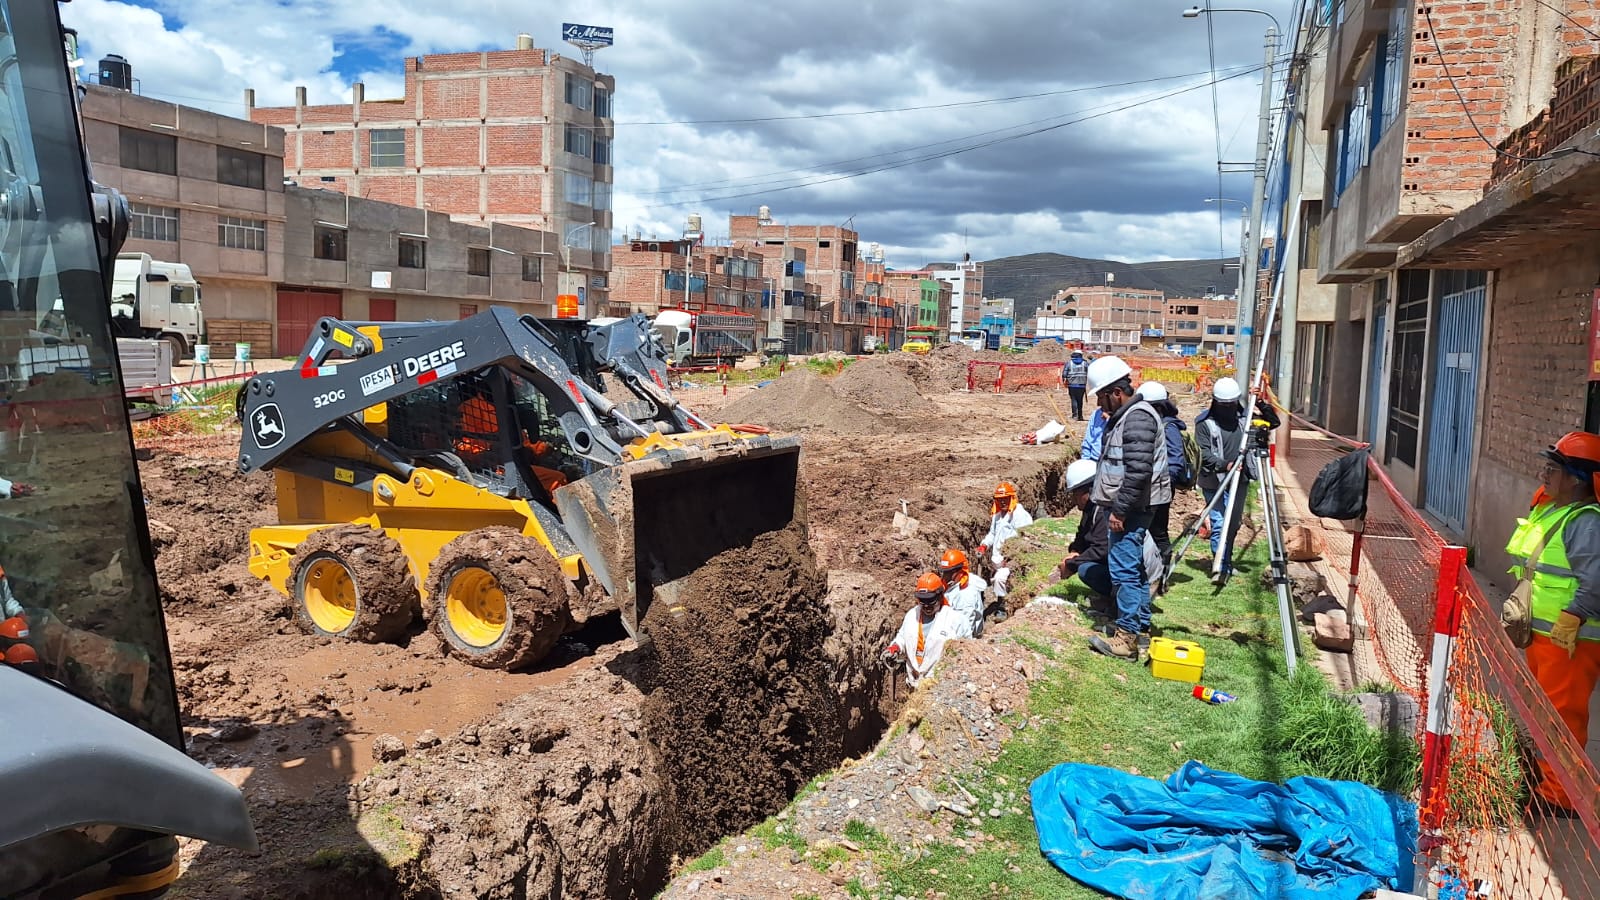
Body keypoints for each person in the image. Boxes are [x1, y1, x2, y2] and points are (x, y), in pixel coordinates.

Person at [1507, 432, 1600, 815]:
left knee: (1562, 716)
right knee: (1548, 714)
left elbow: (1595, 578)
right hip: (1546, 637)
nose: (1545, 474)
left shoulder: (1586, 522)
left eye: (1553, 468)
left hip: (1570, 639)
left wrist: (1573, 614)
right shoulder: (1555, 510)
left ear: (1576, 478)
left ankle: (1561, 796)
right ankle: (1551, 779)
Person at [1083, 355, 1170, 661]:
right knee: (1133, 569)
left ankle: (1127, 638)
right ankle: (1140, 629)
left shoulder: (1137, 418)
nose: (1100, 406)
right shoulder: (1129, 417)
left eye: (1102, 398)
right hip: (1131, 505)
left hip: (1130, 508)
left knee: (1124, 572)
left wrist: (1119, 510)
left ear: (1116, 392)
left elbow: (1138, 471)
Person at [1194, 377, 1280, 584]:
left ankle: (1227, 559)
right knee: (1219, 521)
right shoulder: (1204, 423)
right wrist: (1226, 465)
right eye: (1225, 405)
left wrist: (1259, 401)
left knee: (1233, 523)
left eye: (1232, 404)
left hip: (1239, 480)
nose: (1229, 408)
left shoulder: (1245, 418)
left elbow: (1273, 423)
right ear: (1216, 402)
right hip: (1214, 480)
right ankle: (1220, 564)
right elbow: (1203, 453)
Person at [882, 572, 968, 688]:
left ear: (940, 596)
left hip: (938, 686)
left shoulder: (955, 620)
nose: (926, 606)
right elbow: (902, 637)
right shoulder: (912, 615)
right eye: (923, 601)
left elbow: (966, 650)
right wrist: (895, 647)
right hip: (913, 682)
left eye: (930, 601)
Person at [1136, 381, 1190, 565]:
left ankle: (1163, 571)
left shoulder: (1169, 427)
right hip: (1148, 487)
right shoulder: (1150, 424)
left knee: (1158, 532)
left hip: (1161, 488)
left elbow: (1176, 460)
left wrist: (1166, 483)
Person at [978, 481, 1034, 601]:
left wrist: (1010, 558)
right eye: (1000, 499)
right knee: (997, 580)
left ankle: (1003, 606)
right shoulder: (997, 515)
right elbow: (992, 534)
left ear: (1011, 497)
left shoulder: (1018, 515)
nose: (1002, 501)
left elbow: (1023, 538)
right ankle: (1001, 597)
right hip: (998, 558)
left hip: (1010, 558)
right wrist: (984, 545)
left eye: (1005, 498)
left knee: (1000, 579)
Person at [937, 548, 988, 637]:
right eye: (943, 572)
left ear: (958, 572)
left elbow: (965, 628)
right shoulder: (953, 584)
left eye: (947, 573)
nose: (944, 576)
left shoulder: (965, 595)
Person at [1064, 349, 1089, 421]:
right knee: (1080, 400)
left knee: (1074, 400)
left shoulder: (1069, 363)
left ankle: (1075, 415)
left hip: (1072, 385)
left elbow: (1065, 373)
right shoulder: (1085, 363)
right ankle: (1080, 416)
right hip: (1081, 385)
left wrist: (1065, 380)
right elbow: (1090, 371)